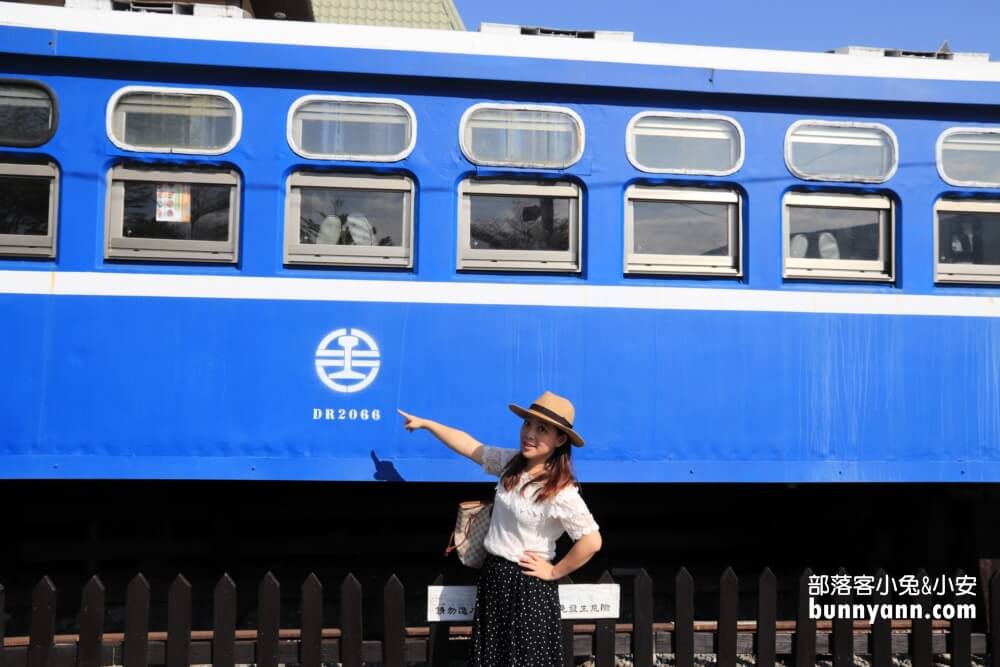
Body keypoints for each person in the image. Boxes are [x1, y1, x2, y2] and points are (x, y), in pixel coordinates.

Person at [398, 391, 603, 667]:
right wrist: (428, 424)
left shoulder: (560, 490)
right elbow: (470, 446)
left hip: (528, 586)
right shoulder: (510, 465)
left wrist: (553, 571)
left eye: (541, 429)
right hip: (495, 577)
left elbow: (591, 541)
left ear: (560, 439)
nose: (529, 434)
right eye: (527, 424)